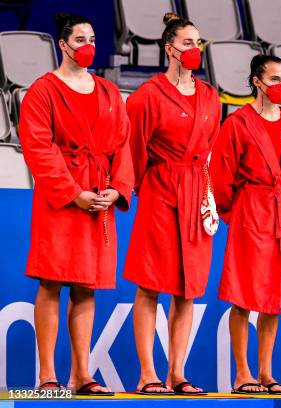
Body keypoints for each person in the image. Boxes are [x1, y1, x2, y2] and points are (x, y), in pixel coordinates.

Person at [19, 13, 133, 395]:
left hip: (98, 196)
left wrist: (117, 188)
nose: (88, 45)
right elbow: (38, 147)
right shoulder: (43, 90)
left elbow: (123, 146)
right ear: (63, 44)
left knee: (86, 286)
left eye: (93, 38)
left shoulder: (108, 92)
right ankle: (48, 374)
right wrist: (72, 193)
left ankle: (82, 375)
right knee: (51, 283)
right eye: (80, 38)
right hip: (61, 200)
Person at [123, 12, 220, 395]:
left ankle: (176, 373)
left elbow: (211, 148)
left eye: (198, 43)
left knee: (188, 289)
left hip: (196, 193)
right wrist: (146, 187)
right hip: (160, 191)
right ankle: (148, 374)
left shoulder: (211, 96)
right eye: (186, 43)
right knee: (150, 286)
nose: (194, 50)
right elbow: (133, 152)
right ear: (169, 49)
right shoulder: (147, 95)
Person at [210, 54, 281, 394]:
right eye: (275, 79)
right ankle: (243, 373)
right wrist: (234, 213)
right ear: (256, 82)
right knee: (245, 297)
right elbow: (220, 175)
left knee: (276, 297)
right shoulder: (237, 123)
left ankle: (266, 373)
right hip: (251, 211)